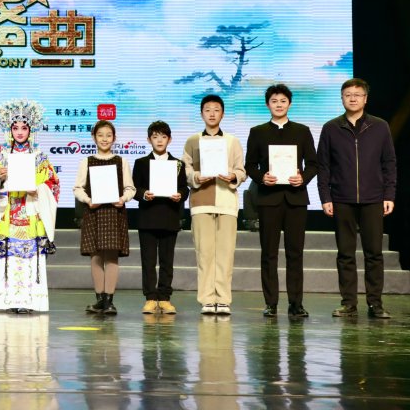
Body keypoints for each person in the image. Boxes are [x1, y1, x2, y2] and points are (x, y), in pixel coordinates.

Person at [317, 78, 397, 319]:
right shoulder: (331, 128)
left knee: (374, 254)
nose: (352, 98)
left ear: (365, 98)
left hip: (374, 198)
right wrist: (325, 196)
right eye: (348, 94)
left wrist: (389, 194)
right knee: (345, 254)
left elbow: (389, 163)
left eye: (357, 94)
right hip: (342, 198)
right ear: (342, 98)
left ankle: (375, 304)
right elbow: (323, 166)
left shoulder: (380, 126)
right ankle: (348, 303)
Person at [244, 84, 318, 318]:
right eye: (274, 101)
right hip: (268, 199)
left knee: (295, 253)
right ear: (268, 104)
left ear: (289, 104)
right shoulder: (257, 132)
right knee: (269, 253)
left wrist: (303, 178)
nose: (279, 104)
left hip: (296, 199)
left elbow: (313, 164)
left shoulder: (302, 131)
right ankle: (271, 303)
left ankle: (296, 303)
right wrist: (262, 177)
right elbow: (249, 165)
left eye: (283, 101)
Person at [0, 98, 59, 313]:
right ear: (9, 130)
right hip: (8, 215)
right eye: (15, 128)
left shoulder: (40, 158)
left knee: (31, 259)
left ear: (30, 130)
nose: (19, 132)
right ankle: (8, 301)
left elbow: (53, 184)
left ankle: (30, 302)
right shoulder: (2, 157)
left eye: (24, 128)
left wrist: (38, 190)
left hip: (31, 214)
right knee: (9, 257)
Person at [182, 94, 246, 316]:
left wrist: (233, 176)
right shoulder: (192, 141)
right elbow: (186, 169)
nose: (212, 113)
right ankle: (207, 299)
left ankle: (223, 300)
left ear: (222, 114)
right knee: (204, 254)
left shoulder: (232, 141)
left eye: (216, 109)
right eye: (207, 110)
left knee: (226, 254)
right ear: (201, 114)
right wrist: (196, 177)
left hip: (227, 201)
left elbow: (241, 169)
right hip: (201, 202)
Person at [73, 121, 136, 315]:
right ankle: (100, 299)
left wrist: (123, 199)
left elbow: (130, 188)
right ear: (94, 137)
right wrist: (88, 200)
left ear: (114, 138)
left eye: (108, 135)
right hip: (94, 212)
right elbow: (78, 188)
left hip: (114, 212)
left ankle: (109, 300)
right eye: (100, 135)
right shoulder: (86, 161)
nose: (104, 139)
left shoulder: (121, 161)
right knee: (96, 256)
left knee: (112, 256)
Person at [131, 120, 189, 315]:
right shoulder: (141, 163)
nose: (159, 140)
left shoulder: (178, 164)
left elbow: (184, 188)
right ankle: (150, 297)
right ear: (149, 139)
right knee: (148, 260)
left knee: (167, 260)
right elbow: (134, 188)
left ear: (169, 139)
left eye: (163, 137)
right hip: (147, 217)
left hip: (169, 216)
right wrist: (143, 194)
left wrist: (180, 195)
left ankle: (164, 298)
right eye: (155, 137)